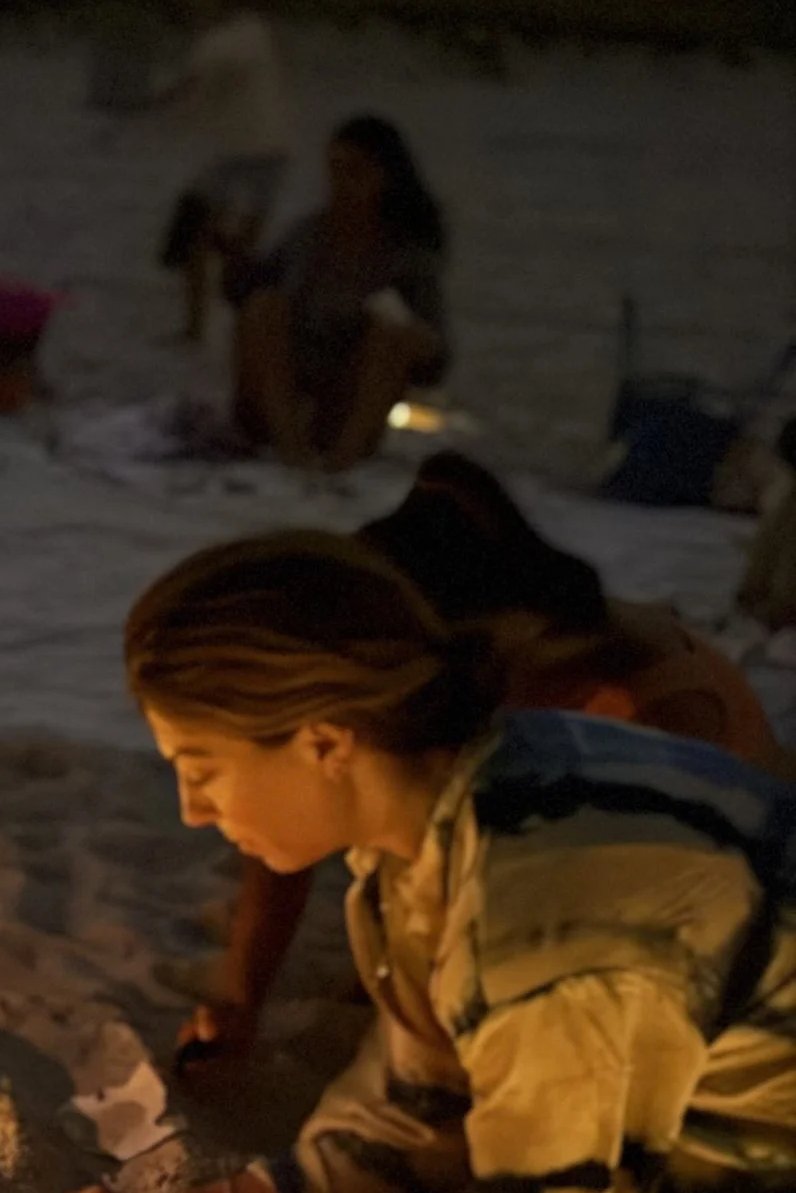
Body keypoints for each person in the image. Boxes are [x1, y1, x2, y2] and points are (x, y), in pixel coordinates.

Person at [43, 530, 796, 1193]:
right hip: (704, 1175)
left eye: (202, 766)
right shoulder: (477, 800)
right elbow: (419, 1108)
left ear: (324, 741)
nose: (194, 808)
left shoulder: (550, 908)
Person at [180, 451, 785, 1064]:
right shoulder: (472, 676)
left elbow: (658, 951)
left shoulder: (640, 714)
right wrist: (243, 993)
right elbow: (295, 799)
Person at [232, 115, 448, 474]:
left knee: (391, 332)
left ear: (384, 178)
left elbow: (436, 358)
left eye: (355, 172)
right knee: (265, 305)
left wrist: (412, 337)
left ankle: (338, 465)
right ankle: (292, 455)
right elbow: (246, 294)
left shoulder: (406, 255)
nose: (341, 184)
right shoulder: (307, 237)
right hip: (278, 401)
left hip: (347, 409)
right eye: (335, 171)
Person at [144, 0, 291, 345]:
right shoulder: (245, 34)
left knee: (227, 248)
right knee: (215, 245)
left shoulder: (241, 35)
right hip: (245, 154)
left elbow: (202, 78)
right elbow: (198, 93)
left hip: (256, 156)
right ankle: (202, 328)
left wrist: (165, 104)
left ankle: (230, 328)